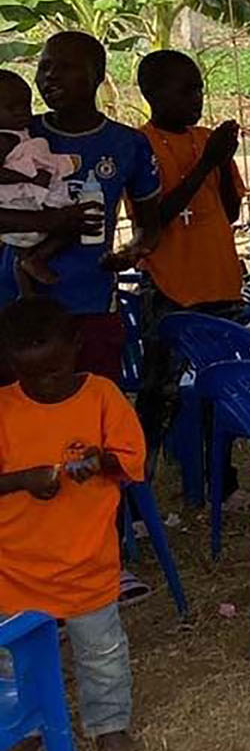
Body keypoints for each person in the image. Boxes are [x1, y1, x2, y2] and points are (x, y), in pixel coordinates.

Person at [0, 296, 145, 751]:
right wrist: (21, 480)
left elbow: (130, 460)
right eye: (30, 376)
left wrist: (100, 462)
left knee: (102, 656)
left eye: (54, 371)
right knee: (12, 659)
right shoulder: (3, 409)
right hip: (15, 567)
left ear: (76, 347)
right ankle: (28, 726)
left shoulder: (102, 396)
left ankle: (109, 725)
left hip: (87, 561)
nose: (44, 384)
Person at [0, 32, 157, 382]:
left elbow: (151, 224)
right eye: (44, 67)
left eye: (65, 67)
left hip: (88, 304)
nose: (50, 76)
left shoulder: (128, 144)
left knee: (88, 406)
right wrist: (52, 220)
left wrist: (131, 252)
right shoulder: (18, 132)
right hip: (14, 306)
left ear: (97, 74)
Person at [131, 49, 248, 447]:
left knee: (223, 391)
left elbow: (230, 211)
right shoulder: (140, 146)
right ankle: (140, 483)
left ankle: (221, 476)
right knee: (160, 391)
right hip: (171, 288)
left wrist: (221, 163)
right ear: (153, 93)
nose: (197, 99)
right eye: (186, 91)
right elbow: (154, 218)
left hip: (220, 282)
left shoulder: (206, 140)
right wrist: (204, 166)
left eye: (199, 89)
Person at [0, 70, 79, 291]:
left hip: (32, 196)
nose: (21, 112)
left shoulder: (24, 131)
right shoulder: (3, 138)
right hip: (17, 201)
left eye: (25, 105)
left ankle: (28, 283)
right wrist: (28, 177)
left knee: (72, 224)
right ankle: (33, 265)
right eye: (11, 108)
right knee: (67, 223)